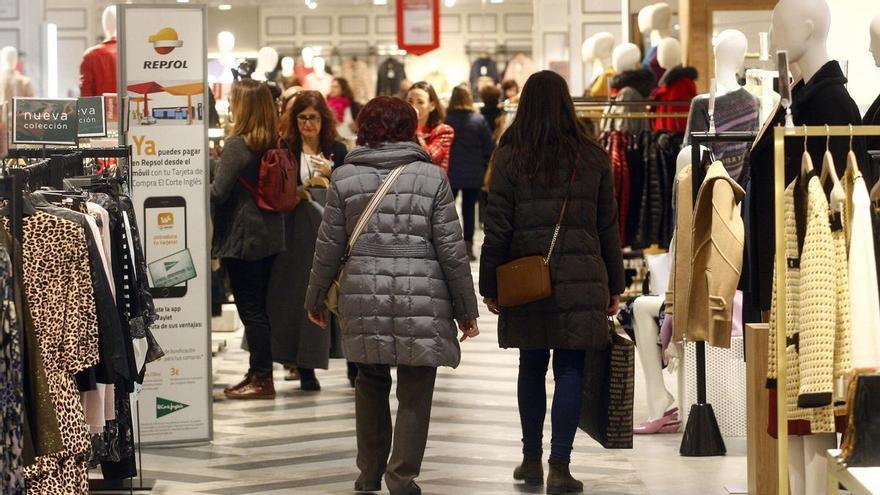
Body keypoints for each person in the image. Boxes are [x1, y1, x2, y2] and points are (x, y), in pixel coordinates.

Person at [304, 96, 480, 495]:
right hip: (424, 291)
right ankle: (402, 477)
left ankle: (368, 474)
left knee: (369, 378)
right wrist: (465, 308)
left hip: (363, 290)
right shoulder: (432, 177)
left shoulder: (344, 177)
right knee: (417, 384)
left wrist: (315, 298)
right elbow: (452, 249)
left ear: (364, 129)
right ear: (410, 128)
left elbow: (327, 246)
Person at [479, 71, 625, 493]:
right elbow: (608, 228)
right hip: (583, 279)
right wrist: (615, 284)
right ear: (567, 104)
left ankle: (530, 460)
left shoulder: (509, 156)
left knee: (531, 365)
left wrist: (490, 284)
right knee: (571, 369)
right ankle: (560, 465)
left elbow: (498, 228)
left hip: (527, 278)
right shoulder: (592, 155)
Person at [269, 90, 348, 391]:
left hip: (333, 230)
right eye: (302, 118)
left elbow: (354, 186)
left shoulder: (337, 149)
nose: (308, 124)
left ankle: (352, 365)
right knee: (300, 297)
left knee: (341, 293)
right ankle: (304, 368)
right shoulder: (287, 147)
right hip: (297, 232)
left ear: (323, 119)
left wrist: (334, 174)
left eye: (313, 118)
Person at [211, 79, 285, 400]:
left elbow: (217, 192)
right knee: (260, 308)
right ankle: (258, 373)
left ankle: (262, 378)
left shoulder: (238, 145)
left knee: (251, 310)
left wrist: (209, 167)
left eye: (233, 100)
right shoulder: (274, 141)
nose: (229, 104)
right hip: (270, 234)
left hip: (243, 237)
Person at [445, 86, 495, 261]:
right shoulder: (478, 120)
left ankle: (450, 247)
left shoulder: (445, 120)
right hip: (473, 173)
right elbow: (489, 148)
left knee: (447, 211)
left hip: (450, 173)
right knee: (468, 211)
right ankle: (468, 247)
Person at [407, 81, 454, 171]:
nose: (413, 106)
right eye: (410, 101)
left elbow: (429, 159)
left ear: (432, 105)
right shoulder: (403, 130)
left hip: (432, 183)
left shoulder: (444, 131)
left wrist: (415, 124)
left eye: (420, 102)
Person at [327, 77, 362, 143]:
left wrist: (357, 127)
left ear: (343, 89)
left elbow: (361, 126)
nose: (332, 89)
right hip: (335, 140)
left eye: (336, 87)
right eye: (331, 86)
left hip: (351, 140)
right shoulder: (327, 105)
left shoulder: (353, 105)